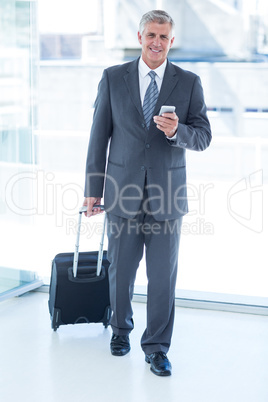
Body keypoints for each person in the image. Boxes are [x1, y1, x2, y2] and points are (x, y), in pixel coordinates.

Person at [83, 10, 211, 377]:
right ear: (139, 37)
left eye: (164, 36)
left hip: (167, 197)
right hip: (121, 193)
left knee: (162, 278)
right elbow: (98, 139)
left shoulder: (188, 82)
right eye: (151, 35)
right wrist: (93, 189)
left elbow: (203, 136)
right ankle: (120, 331)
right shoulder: (112, 78)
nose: (157, 42)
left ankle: (156, 347)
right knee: (120, 272)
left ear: (172, 41)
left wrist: (177, 132)